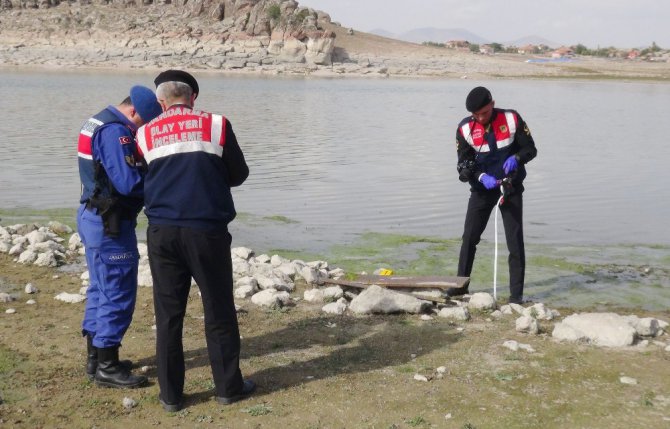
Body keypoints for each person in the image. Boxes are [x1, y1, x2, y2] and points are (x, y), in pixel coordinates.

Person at [135, 70, 254, 412]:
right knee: (218, 309)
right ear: (193, 98)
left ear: (160, 102)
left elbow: (146, 177)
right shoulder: (216, 124)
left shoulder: (144, 132)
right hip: (207, 231)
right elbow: (239, 173)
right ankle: (228, 389)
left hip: (162, 232)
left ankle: (171, 396)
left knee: (169, 314)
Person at [77, 86, 163, 388]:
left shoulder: (97, 121)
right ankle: (108, 366)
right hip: (109, 224)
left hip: (93, 216)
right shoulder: (117, 133)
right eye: (142, 123)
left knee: (100, 288)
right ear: (134, 112)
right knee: (117, 291)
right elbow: (128, 184)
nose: (140, 130)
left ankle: (96, 358)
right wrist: (163, 185)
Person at [449, 86, 537, 304]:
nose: (480, 118)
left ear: (493, 104)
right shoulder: (465, 129)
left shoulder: (512, 118)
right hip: (482, 190)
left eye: (485, 113)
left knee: (515, 242)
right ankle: (460, 287)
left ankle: (516, 297)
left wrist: (517, 157)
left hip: (510, 187)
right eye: (475, 115)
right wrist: (479, 177)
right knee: (469, 238)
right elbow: (463, 164)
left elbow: (531, 149)